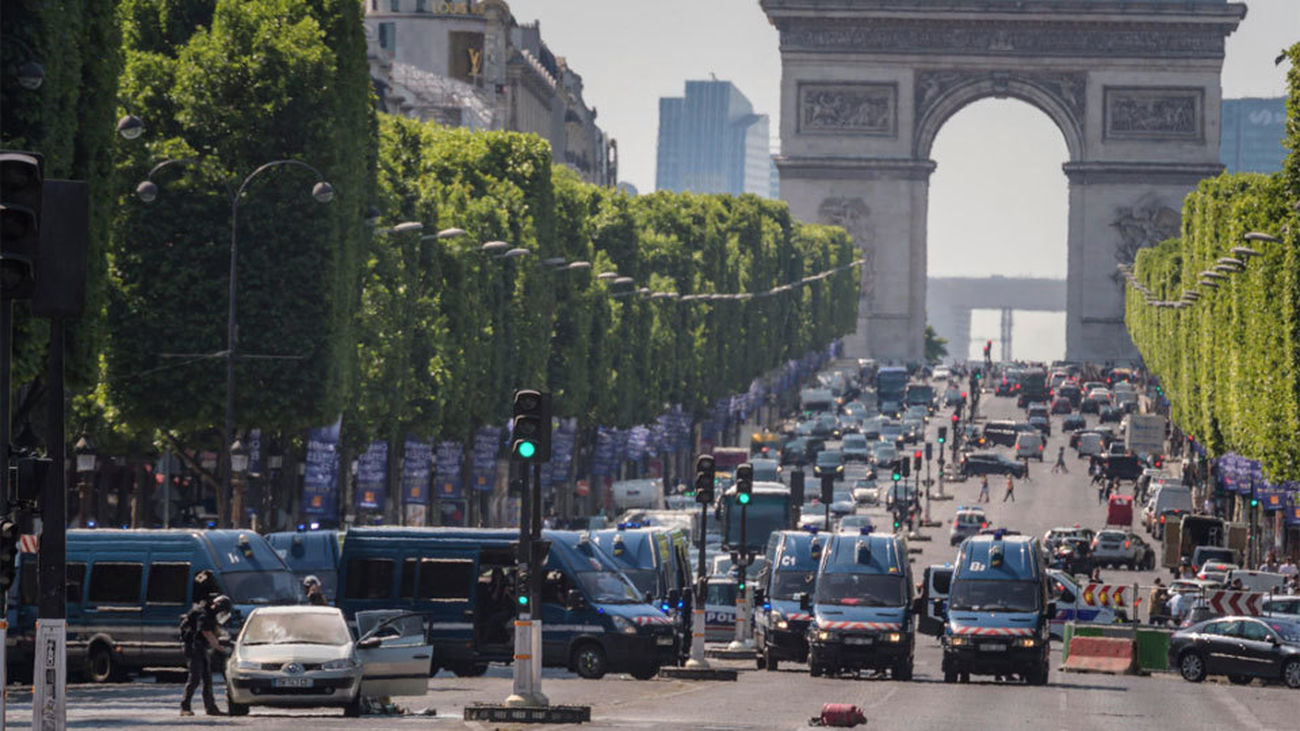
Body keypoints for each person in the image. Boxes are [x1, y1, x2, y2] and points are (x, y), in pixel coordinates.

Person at [181, 594, 231, 717]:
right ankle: (185, 707)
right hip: (193, 647)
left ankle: (211, 708)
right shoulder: (204, 614)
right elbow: (206, 632)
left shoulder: (210, 613)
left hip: (201, 646)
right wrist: (219, 648)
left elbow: (214, 631)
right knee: (195, 678)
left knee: (207, 678)